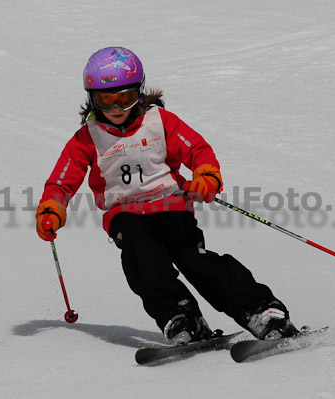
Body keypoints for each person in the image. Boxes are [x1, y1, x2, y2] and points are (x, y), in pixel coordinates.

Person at [36, 46, 299, 345]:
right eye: (105, 101)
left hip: (171, 205)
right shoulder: (87, 137)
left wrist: (206, 175)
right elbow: (61, 182)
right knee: (144, 263)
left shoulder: (160, 122)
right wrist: (51, 208)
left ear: (139, 91)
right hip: (125, 214)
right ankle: (181, 317)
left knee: (195, 261)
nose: (116, 109)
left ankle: (261, 310)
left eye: (124, 98)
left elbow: (197, 150)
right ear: (91, 99)